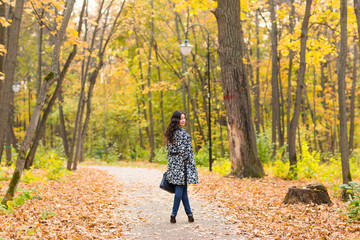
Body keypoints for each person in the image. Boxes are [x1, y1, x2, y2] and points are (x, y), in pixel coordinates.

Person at [164, 110, 199, 224]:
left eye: (184, 118)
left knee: (183, 190)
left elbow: (168, 151)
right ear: (176, 120)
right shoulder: (182, 134)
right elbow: (185, 152)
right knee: (180, 189)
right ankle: (173, 214)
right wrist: (188, 162)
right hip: (182, 165)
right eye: (181, 118)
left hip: (174, 164)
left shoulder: (170, 133)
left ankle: (190, 215)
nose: (183, 120)